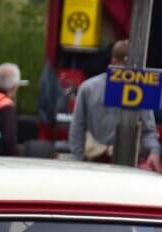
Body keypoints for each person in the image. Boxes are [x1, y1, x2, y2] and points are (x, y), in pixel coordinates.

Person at [69, 39, 162, 171]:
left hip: (125, 165)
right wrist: (78, 162)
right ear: (112, 61)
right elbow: (77, 128)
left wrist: (154, 151)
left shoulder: (141, 89)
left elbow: (148, 132)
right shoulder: (89, 88)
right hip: (95, 162)